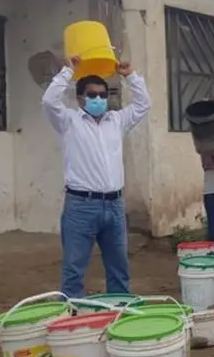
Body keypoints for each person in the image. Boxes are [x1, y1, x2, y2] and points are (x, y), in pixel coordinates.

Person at [42, 56, 151, 298]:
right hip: (81, 206)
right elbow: (49, 101)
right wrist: (68, 71)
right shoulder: (69, 121)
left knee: (119, 268)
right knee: (74, 268)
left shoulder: (117, 121)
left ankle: (119, 311)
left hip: (114, 205)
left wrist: (129, 75)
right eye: (93, 95)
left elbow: (143, 104)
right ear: (80, 98)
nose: (99, 99)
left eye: (103, 95)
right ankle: (73, 321)